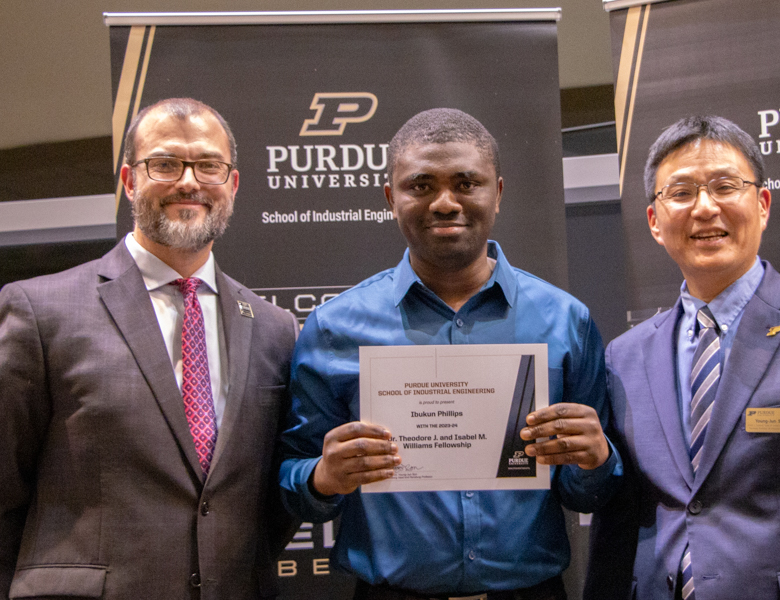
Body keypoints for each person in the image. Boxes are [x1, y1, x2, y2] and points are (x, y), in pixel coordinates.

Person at [280, 108, 622, 600]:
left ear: (497, 193)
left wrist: (596, 461)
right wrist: (322, 478)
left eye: (466, 183)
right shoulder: (335, 328)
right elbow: (294, 483)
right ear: (390, 198)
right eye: (420, 185)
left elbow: (588, 490)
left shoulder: (566, 321)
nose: (445, 202)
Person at [584, 115, 780, 600]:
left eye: (724, 186)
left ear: (763, 204)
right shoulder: (625, 355)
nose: (705, 208)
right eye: (682, 192)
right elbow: (624, 519)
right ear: (654, 221)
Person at [0, 98, 298, 599]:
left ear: (233, 184)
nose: (189, 181)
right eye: (164, 164)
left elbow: (269, 501)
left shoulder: (274, 329)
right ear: (130, 180)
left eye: (209, 165)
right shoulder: (39, 310)